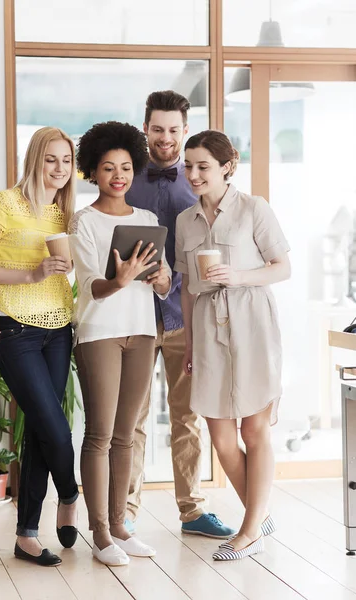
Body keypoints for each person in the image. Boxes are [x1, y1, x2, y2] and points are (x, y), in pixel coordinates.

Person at [0, 127, 79, 567]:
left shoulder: (64, 212)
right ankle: (70, 494)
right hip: (13, 328)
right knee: (55, 429)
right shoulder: (4, 203)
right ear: (34, 159)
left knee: (39, 430)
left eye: (66, 161)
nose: (59, 168)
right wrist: (29, 276)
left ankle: (26, 535)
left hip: (58, 327)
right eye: (51, 159)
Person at [175, 129, 291, 561]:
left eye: (202, 166)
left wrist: (237, 276)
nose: (193, 174)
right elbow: (187, 288)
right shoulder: (185, 221)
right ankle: (258, 518)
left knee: (254, 429)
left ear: (228, 165)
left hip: (252, 322)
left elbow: (282, 267)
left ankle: (249, 532)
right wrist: (188, 345)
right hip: (207, 329)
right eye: (189, 166)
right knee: (221, 438)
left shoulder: (253, 209)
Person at [125, 90, 235, 539]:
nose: (165, 138)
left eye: (173, 130)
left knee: (187, 416)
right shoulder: (127, 178)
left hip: (185, 317)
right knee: (130, 418)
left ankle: (191, 511)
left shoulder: (200, 180)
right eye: (157, 128)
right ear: (145, 127)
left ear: (184, 130)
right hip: (132, 314)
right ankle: (124, 512)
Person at [69, 121, 171, 567]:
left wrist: (163, 279)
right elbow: (90, 284)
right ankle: (100, 533)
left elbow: (161, 281)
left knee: (127, 436)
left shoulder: (147, 220)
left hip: (142, 332)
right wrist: (119, 279)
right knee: (100, 435)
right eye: (108, 167)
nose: (118, 175)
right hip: (99, 334)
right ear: (93, 170)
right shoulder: (84, 220)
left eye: (126, 167)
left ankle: (121, 525)